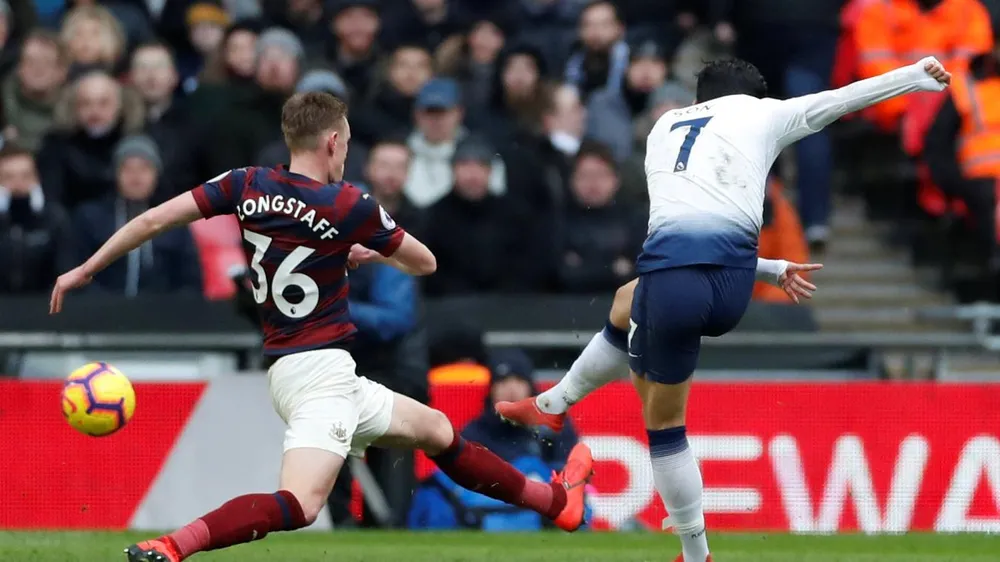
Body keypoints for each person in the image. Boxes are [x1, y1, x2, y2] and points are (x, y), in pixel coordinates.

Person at [49, 92, 592, 562]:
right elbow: (424, 262)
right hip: (319, 375)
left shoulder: (244, 184)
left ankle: (556, 503)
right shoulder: (348, 203)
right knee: (302, 505)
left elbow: (150, 219)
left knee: (436, 430)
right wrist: (366, 250)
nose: (347, 154)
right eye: (348, 143)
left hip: (309, 370)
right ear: (333, 141)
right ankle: (173, 547)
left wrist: (85, 268)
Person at [498, 56, 952, 561]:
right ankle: (553, 407)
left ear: (701, 96)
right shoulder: (762, 115)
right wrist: (913, 76)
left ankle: (696, 554)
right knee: (628, 299)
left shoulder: (663, 128)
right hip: (731, 286)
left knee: (664, 426)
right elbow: (838, 102)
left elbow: (689, 220)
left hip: (674, 284)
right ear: (753, 96)